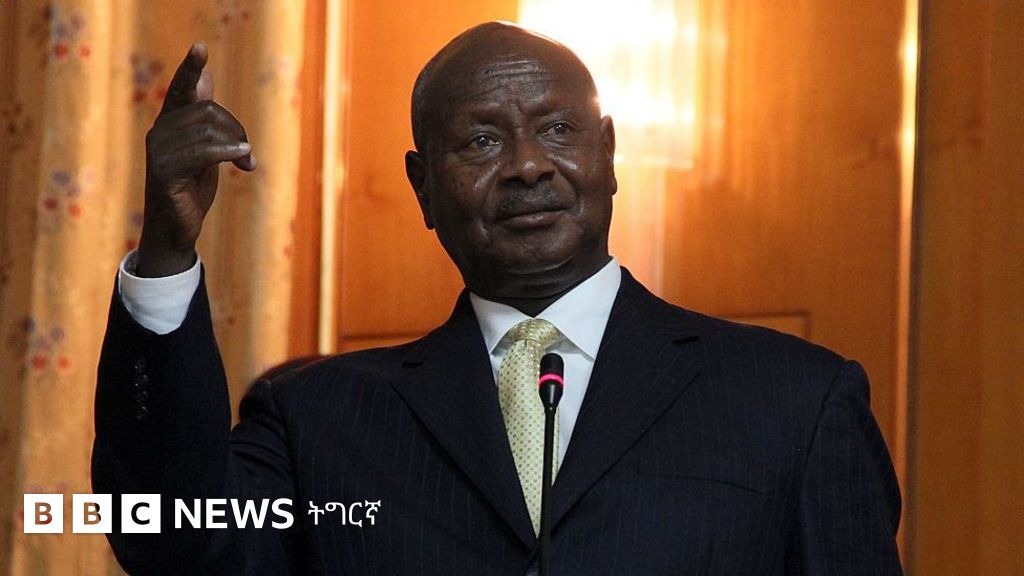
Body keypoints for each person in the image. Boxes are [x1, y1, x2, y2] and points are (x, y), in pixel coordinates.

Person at [93, 22, 903, 575]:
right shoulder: (318, 420)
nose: (526, 165)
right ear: (422, 187)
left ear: (608, 153)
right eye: (481, 140)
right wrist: (166, 247)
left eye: (557, 130)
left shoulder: (794, 399)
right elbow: (167, 537)